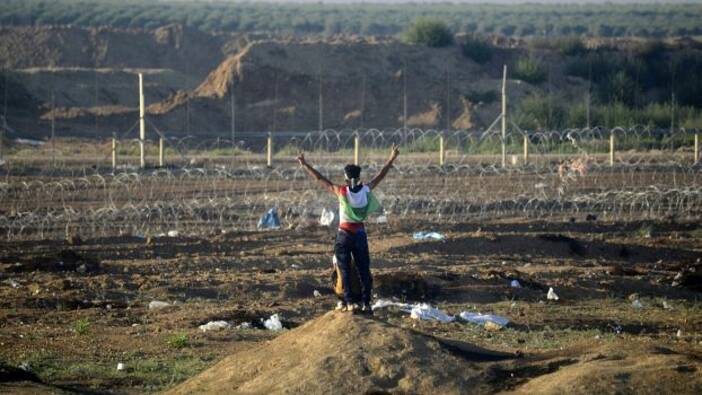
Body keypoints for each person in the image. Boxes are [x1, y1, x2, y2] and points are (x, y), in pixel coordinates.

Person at [297, 145, 400, 314]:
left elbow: (320, 179)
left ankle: (349, 302)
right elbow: (380, 175)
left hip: (344, 234)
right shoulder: (366, 189)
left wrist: (305, 164)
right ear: (359, 177)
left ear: (346, 178)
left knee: (343, 269)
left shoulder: (341, 191)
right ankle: (366, 303)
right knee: (363, 269)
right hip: (359, 234)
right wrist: (391, 158)